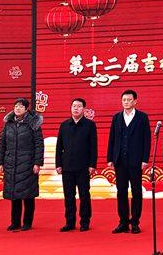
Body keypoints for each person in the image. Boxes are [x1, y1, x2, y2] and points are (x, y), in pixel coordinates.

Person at [0, 98, 44, 232]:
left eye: (21, 106)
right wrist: (0, 162)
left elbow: (39, 144)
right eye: (16, 106)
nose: (17, 108)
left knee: (28, 194)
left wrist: (37, 163)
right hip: (11, 163)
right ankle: (15, 222)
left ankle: (27, 222)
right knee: (14, 194)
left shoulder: (33, 123)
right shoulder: (9, 123)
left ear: (26, 109)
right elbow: (2, 143)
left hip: (28, 163)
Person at [107, 89, 151, 234]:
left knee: (136, 191)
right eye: (124, 100)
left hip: (136, 161)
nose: (126, 102)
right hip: (120, 160)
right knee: (121, 191)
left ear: (135, 101)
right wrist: (110, 158)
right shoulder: (117, 117)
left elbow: (147, 139)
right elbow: (112, 138)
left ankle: (135, 222)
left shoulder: (142, 117)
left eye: (129, 100)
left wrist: (145, 159)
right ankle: (123, 222)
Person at [56, 97, 98, 232]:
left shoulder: (90, 125)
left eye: (79, 106)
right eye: (74, 106)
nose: (76, 108)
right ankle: (69, 222)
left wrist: (92, 165)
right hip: (67, 166)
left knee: (84, 195)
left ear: (84, 109)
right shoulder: (64, 125)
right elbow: (59, 146)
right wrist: (58, 164)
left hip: (83, 166)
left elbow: (93, 147)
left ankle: (85, 222)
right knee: (69, 196)